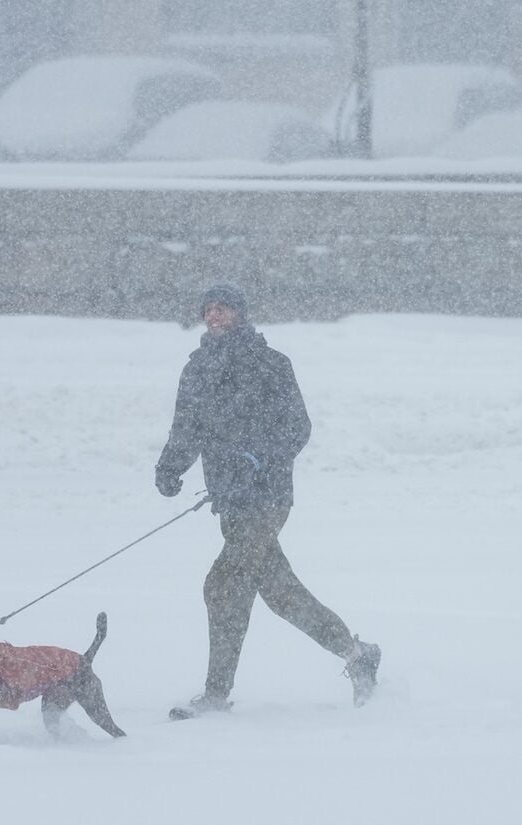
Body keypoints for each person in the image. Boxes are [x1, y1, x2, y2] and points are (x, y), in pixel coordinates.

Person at [155, 284, 380, 718]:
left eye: (223, 309)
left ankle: (217, 695)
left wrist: (257, 458)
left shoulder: (271, 363)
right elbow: (186, 428)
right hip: (228, 500)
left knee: (222, 585)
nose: (214, 316)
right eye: (209, 309)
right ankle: (357, 654)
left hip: (267, 497)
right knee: (278, 592)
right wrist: (170, 468)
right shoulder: (197, 368)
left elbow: (297, 427)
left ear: (241, 313)